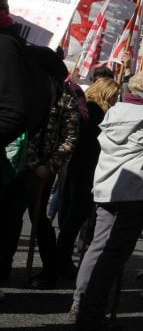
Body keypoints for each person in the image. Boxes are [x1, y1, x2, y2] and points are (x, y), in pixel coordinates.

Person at [73, 67, 143, 330]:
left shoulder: (114, 111)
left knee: (97, 247)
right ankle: (91, 313)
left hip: (106, 188)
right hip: (134, 192)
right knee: (114, 254)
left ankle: (80, 301)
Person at [0, 58, 78, 289]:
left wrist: (48, 166)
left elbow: (70, 139)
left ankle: (50, 270)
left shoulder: (65, 100)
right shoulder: (22, 91)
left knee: (35, 221)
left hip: (39, 170)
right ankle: (3, 266)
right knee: (8, 219)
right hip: (13, 163)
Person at [55, 77, 120, 277]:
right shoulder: (94, 111)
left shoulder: (89, 108)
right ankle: (61, 260)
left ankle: (62, 258)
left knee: (73, 215)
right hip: (86, 169)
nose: (115, 100)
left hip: (81, 167)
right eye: (114, 96)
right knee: (76, 215)